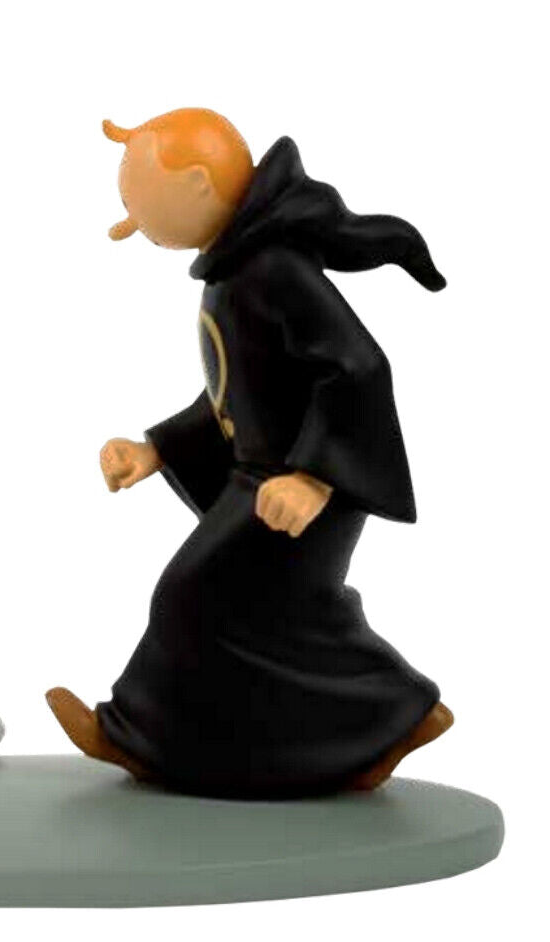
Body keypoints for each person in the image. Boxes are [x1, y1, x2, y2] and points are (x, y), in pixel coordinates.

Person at [46, 108, 453, 798]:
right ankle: (388, 723)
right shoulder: (238, 272)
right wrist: (155, 450)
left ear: (198, 186)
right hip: (264, 479)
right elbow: (242, 395)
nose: (127, 222)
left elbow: (358, 368)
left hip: (302, 487)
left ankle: (136, 734)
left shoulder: (273, 270)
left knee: (192, 596)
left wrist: (313, 478)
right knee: (286, 617)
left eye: (137, 203)